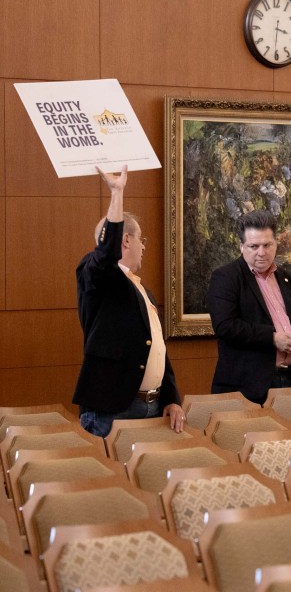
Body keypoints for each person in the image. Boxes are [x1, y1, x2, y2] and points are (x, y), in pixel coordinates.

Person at [74, 166, 185, 438]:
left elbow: (157, 348)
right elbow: (104, 256)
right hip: (113, 410)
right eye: (141, 239)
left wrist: (172, 397)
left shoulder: (142, 289)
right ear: (126, 240)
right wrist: (117, 193)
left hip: (153, 407)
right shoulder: (95, 273)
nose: (144, 247)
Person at [207, 210, 291, 404]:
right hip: (248, 387)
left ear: (276, 244)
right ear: (241, 247)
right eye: (253, 246)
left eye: (267, 245)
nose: (262, 252)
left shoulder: (289, 279)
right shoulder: (226, 277)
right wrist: (272, 338)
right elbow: (225, 326)